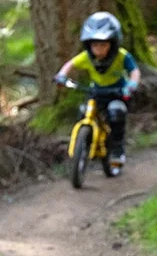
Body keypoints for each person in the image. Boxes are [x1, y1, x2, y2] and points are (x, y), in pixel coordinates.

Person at [53, 12, 140, 175]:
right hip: (96, 92)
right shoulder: (86, 57)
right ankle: (83, 143)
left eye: (103, 45)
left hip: (117, 93)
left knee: (116, 112)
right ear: (88, 45)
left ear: (112, 44)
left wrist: (132, 84)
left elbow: (134, 70)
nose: (99, 50)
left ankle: (117, 150)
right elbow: (70, 64)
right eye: (95, 45)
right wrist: (62, 76)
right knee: (84, 111)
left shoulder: (121, 56)